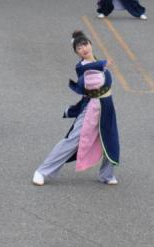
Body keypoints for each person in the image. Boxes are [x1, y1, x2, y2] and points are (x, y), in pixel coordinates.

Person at [32, 30, 120, 186]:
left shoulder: (97, 61)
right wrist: (103, 64)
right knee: (72, 140)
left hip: (107, 106)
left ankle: (106, 175)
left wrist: (102, 63)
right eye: (79, 48)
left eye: (85, 44)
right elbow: (90, 70)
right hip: (92, 108)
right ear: (76, 53)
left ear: (91, 44)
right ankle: (42, 171)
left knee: (110, 140)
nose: (84, 49)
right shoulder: (82, 67)